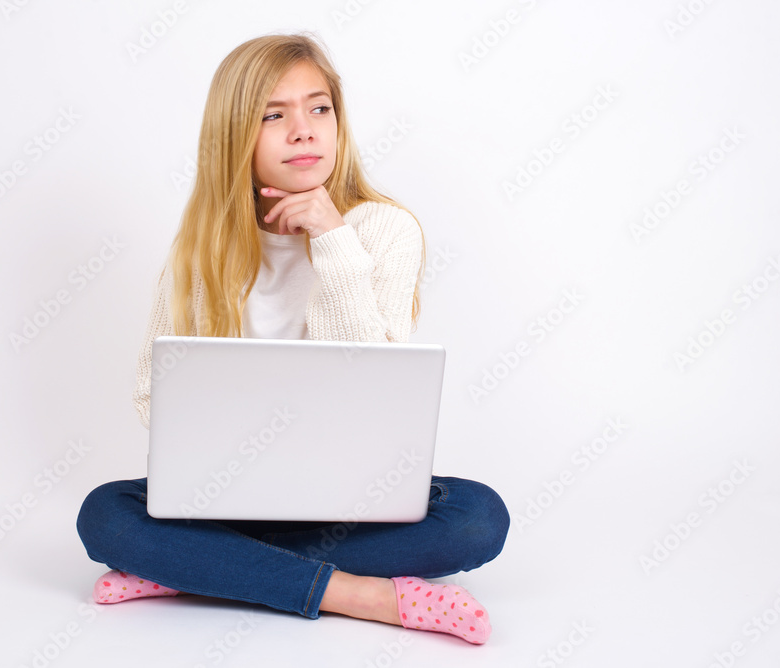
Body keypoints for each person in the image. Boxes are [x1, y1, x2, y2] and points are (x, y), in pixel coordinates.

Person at [76, 31, 509, 645]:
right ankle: (359, 594)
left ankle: (197, 568)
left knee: (477, 519)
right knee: (103, 513)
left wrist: (333, 240)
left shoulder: (384, 229)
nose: (303, 130)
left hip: (350, 502)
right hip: (225, 493)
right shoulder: (199, 251)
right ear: (235, 136)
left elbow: (372, 387)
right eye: (272, 115)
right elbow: (152, 395)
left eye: (319, 108)